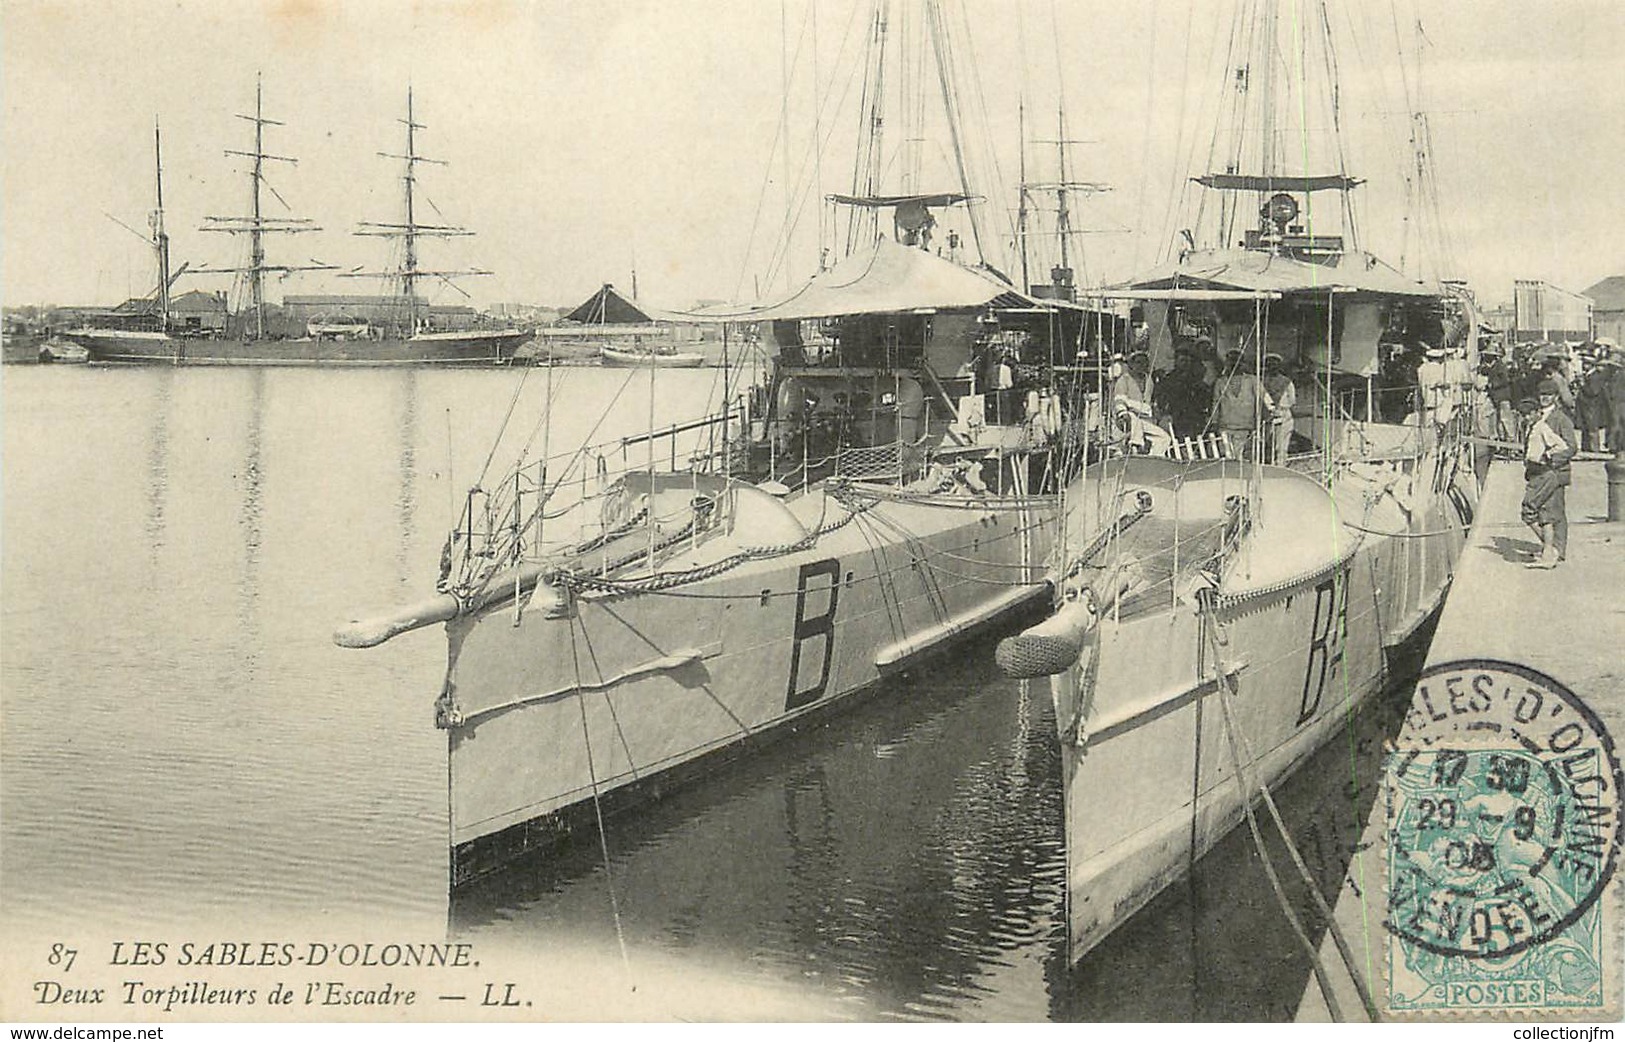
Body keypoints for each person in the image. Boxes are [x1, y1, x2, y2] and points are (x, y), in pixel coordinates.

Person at [1520, 379, 1578, 569]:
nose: (1545, 398)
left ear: (1556, 396)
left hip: (1555, 471)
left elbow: (1571, 447)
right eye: (1542, 394)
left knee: (1554, 512)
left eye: (1549, 395)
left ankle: (1556, 550)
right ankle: (1551, 549)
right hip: (1540, 472)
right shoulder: (1536, 416)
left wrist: (1550, 459)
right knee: (1548, 511)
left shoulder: (1561, 418)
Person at [1212, 349, 1273, 460]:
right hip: (1225, 428)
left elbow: (1265, 397)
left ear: (1243, 363)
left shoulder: (1253, 380)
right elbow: (1216, 404)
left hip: (1244, 428)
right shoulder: (1220, 382)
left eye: (1238, 361)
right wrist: (1214, 422)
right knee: (1226, 459)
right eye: (1231, 361)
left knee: (1241, 459)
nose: (1235, 364)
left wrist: (1272, 410)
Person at [1153, 344, 1213, 438]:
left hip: (1195, 419)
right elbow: (1161, 401)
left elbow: (1205, 399)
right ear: (1176, 361)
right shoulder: (1168, 380)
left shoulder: (1196, 380)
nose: (1186, 364)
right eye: (1182, 360)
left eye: (1188, 361)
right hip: (1176, 420)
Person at [1111, 349, 1157, 453]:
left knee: (1164, 437)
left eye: (1145, 362)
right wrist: (1123, 412)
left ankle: (1155, 457)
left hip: (1147, 418)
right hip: (1128, 418)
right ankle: (1134, 448)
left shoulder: (1149, 380)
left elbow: (1152, 400)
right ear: (1132, 364)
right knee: (1135, 422)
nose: (1142, 365)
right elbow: (1119, 400)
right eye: (1138, 362)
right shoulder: (1124, 380)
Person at [1480, 346, 1518, 450]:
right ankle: (1493, 437)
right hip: (1494, 396)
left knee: (1505, 419)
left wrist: (1493, 384)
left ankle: (1511, 442)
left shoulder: (1500, 366)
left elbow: (1505, 379)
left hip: (1502, 396)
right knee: (1485, 414)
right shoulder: (1493, 366)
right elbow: (1484, 371)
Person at [1262, 353, 1297, 462]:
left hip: (1283, 415)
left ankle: (1280, 467)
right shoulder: (1262, 381)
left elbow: (1292, 400)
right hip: (1267, 417)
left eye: (1274, 364)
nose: (1272, 366)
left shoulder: (1287, 382)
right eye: (1269, 364)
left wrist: (1281, 407)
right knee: (1266, 446)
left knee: (1281, 447)